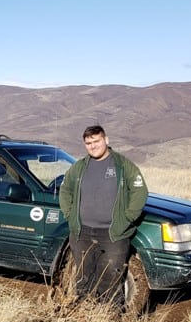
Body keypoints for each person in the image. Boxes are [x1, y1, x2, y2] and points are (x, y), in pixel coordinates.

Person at [59, 125, 148, 309]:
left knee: (110, 278)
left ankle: (109, 319)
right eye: (88, 143)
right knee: (84, 276)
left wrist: (127, 218)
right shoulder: (79, 167)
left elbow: (140, 191)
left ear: (106, 140)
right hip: (82, 233)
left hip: (112, 234)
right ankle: (83, 314)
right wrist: (69, 214)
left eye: (96, 141)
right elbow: (65, 189)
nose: (93, 146)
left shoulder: (123, 165)